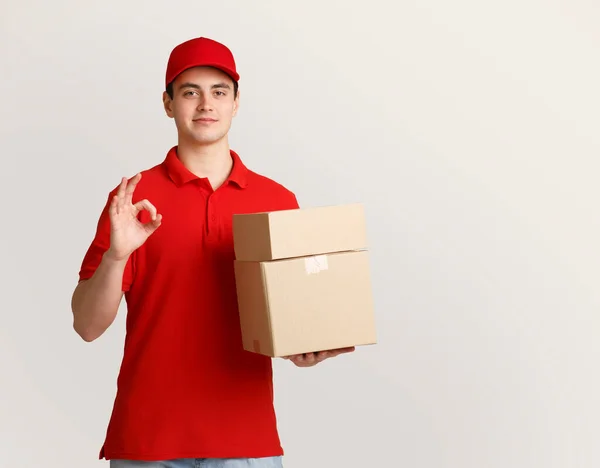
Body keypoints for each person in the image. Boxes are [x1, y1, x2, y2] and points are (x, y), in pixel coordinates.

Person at [71, 36, 354, 468]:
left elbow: (292, 318)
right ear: (168, 104)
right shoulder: (133, 199)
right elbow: (87, 327)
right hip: (149, 443)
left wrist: (305, 346)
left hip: (246, 442)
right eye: (190, 92)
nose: (206, 104)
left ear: (236, 103)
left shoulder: (277, 200)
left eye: (219, 92)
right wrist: (117, 256)